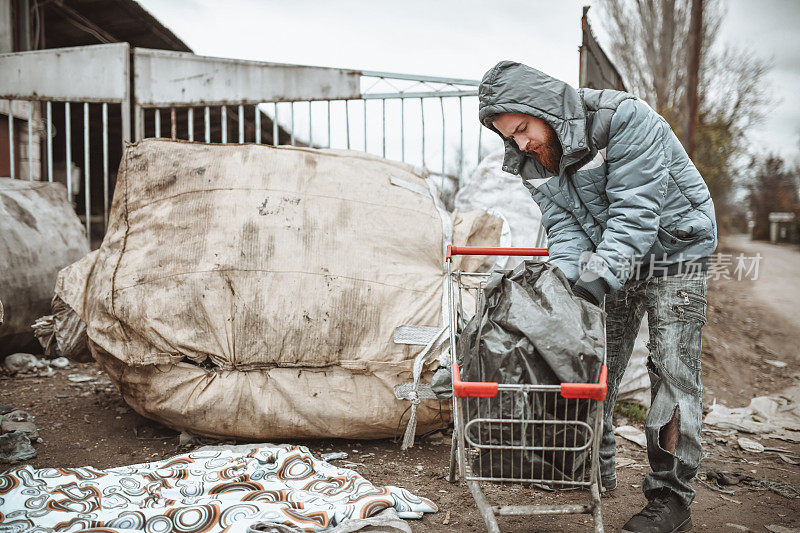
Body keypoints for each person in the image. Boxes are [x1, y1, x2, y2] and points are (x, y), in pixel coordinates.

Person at [478, 60, 717, 533]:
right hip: (612, 257)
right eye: (510, 138)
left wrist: (592, 280)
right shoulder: (532, 159)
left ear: (542, 106)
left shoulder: (624, 119)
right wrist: (569, 290)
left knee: (671, 367)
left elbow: (635, 214)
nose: (520, 143)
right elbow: (565, 228)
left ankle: (671, 498)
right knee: (594, 359)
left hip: (676, 249)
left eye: (523, 129)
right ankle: (593, 469)